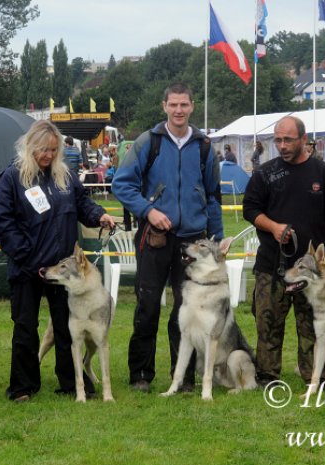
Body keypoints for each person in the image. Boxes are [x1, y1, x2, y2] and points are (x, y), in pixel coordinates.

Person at [0, 119, 115, 403]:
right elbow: (1, 222)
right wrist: (25, 254)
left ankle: (72, 383)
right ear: (30, 146)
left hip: (62, 269)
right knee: (25, 326)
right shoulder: (12, 177)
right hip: (27, 266)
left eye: (53, 150)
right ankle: (23, 386)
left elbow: (82, 204)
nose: (47, 155)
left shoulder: (65, 176)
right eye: (43, 150)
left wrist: (99, 215)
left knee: (65, 327)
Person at [112, 83, 223, 393]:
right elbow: (121, 185)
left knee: (185, 311)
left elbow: (213, 195)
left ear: (191, 107)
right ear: (164, 106)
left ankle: (183, 377)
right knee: (147, 305)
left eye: (184, 105)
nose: (178, 110)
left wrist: (218, 238)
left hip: (193, 242)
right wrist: (148, 210)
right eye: (173, 104)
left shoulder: (203, 146)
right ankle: (141, 375)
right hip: (155, 238)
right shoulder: (149, 142)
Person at [242, 115, 325, 387]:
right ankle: (267, 377)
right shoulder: (265, 173)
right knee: (268, 324)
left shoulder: (323, 173)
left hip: (311, 270)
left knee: (313, 326)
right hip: (272, 264)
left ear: (303, 139)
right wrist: (274, 227)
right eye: (277, 139)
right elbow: (250, 209)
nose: (282, 145)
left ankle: (317, 377)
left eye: (288, 139)